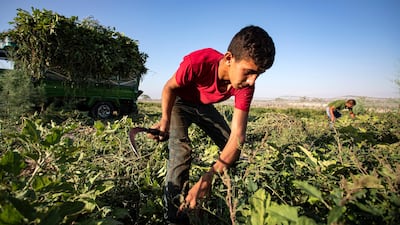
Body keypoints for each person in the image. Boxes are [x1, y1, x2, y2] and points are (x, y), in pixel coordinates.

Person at [149, 25, 275, 224]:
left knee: (232, 147)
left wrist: (209, 176)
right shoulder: (198, 62)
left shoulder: (245, 87)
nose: (252, 81)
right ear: (228, 59)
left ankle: (230, 196)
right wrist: (164, 119)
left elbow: (237, 137)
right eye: (249, 72)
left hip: (203, 105)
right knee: (181, 150)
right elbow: (169, 87)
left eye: (258, 74)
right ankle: (173, 216)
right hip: (180, 102)